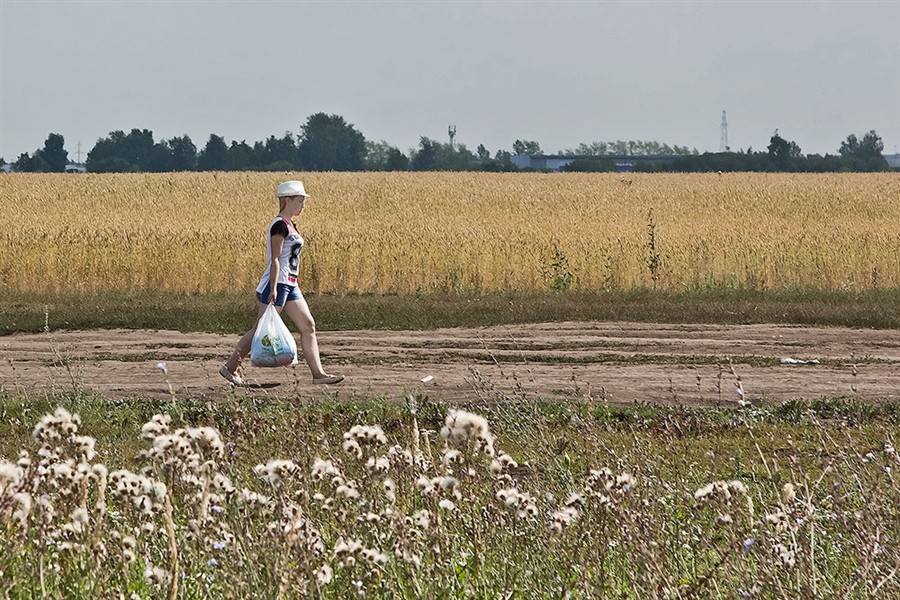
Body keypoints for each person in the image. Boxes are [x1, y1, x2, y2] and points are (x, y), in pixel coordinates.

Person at [220, 180, 344, 386]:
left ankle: (318, 374)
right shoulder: (279, 225)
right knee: (260, 328)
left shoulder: (290, 225)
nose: (302, 205)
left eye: (303, 201)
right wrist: (274, 287)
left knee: (308, 325)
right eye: (299, 201)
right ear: (287, 200)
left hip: (291, 284)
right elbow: (275, 258)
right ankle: (230, 368)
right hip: (279, 283)